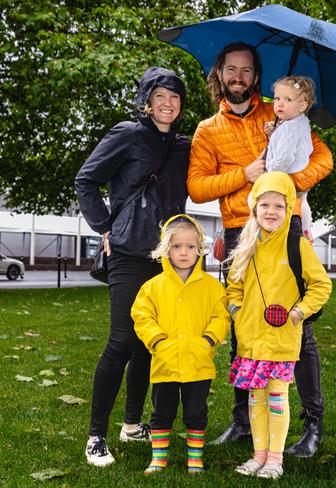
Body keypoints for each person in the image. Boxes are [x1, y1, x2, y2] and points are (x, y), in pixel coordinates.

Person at [188, 42, 333, 457]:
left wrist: (292, 187)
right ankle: (242, 419)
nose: (239, 76)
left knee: (296, 328)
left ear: (255, 76)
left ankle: (312, 426)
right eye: (231, 69)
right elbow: (197, 188)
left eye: (247, 70)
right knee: (241, 327)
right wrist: (243, 174)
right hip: (239, 234)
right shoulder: (206, 130)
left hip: (284, 232)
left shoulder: (281, 111)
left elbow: (324, 158)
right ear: (221, 73)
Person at [74, 67, 190, 466]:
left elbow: (215, 175)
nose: (168, 103)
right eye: (160, 95)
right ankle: (95, 436)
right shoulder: (127, 134)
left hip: (168, 258)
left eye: (175, 97)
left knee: (148, 344)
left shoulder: (184, 145)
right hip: (126, 251)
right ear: (146, 100)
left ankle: (131, 423)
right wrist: (105, 226)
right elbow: (86, 180)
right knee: (122, 340)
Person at [226, 172, 332, 479]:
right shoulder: (246, 245)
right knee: (255, 398)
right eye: (264, 205)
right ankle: (258, 456)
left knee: (277, 396)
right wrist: (237, 311)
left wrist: (300, 312)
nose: (271, 212)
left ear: (289, 209)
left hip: (282, 339)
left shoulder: (297, 246)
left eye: (279, 205)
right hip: (250, 339)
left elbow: (321, 285)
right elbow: (233, 287)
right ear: (254, 207)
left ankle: (275, 459)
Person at [131, 214, 230, 474]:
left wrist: (208, 340)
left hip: (198, 362)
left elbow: (221, 316)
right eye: (176, 246)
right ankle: (158, 458)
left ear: (199, 249)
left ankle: (195, 458)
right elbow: (141, 316)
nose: (183, 252)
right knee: (161, 411)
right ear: (166, 249)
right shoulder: (153, 287)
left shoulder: (212, 287)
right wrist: (157, 340)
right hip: (165, 361)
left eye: (189, 246)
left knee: (196, 412)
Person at [263, 75, 317, 240]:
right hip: (298, 174)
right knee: (302, 202)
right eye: (277, 98)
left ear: (302, 106)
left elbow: (285, 156)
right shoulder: (296, 123)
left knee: (259, 200)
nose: (280, 103)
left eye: (287, 99)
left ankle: (289, 231)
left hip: (287, 174)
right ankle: (306, 229)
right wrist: (275, 133)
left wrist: (269, 173)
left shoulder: (291, 127)